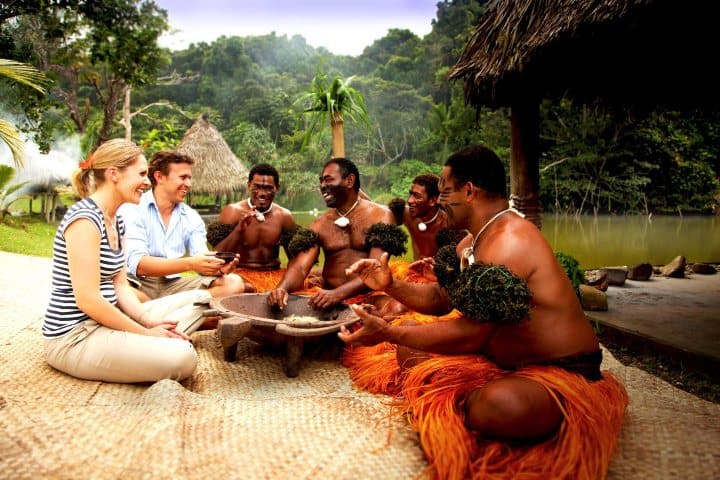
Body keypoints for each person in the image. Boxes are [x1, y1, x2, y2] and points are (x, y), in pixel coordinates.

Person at [338, 145, 627, 479]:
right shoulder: (470, 242)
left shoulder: (510, 241)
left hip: (559, 369)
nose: (439, 200)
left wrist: (389, 331)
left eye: (444, 191)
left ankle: (477, 403)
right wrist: (389, 284)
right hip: (500, 360)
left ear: (469, 191)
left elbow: (472, 333)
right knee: (409, 349)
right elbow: (440, 298)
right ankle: (466, 397)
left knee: (500, 407)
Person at [43, 139, 212, 383]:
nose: (146, 182)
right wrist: (146, 333)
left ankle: (150, 344)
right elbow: (88, 300)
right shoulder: (84, 221)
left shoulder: (116, 219)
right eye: (142, 174)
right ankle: (154, 346)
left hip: (113, 318)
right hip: (77, 335)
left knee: (204, 300)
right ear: (113, 174)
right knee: (183, 358)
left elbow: (120, 285)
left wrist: (149, 321)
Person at [267, 157, 399, 312]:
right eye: (321, 181)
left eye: (328, 180)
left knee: (396, 309)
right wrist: (282, 288)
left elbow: (375, 270)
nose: (322, 186)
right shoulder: (320, 224)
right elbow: (300, 268)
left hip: (370, 295)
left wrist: (337, 294)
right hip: (328, 295)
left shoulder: (381, 216)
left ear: (350, 181)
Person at [119, 151, 249, 302]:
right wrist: (191, 264)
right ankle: (178, 312)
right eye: (183, 177)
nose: (189, 184)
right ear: (159, 177)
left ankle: (161, 312)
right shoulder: (132, 208)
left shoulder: (191, 217)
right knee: (117, 291)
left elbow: (200, 256)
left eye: (189, 178)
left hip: (174, 285)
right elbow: (139, 265)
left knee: (233, 283)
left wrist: (216, 269)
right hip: (138, 283)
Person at [208, 164, 297, 291]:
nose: (262, 194)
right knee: (245, 288)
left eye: (268, 188)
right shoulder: (233, 211)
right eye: (257, 187)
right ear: (249, 185)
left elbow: (294, 260)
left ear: (277, 188)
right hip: (241, 275)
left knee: (312, 281)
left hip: (273, 275)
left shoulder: (284, 216)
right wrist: (239, 230)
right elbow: (216, 256)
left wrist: (286, 284)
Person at [395, 173, 448, 261]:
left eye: (417, 196)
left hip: (437, 273)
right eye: (411, 194)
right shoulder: (407, 215)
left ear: (432, 201)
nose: (409, 200)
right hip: (414, 271)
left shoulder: (448, 223)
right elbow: (377, 210)